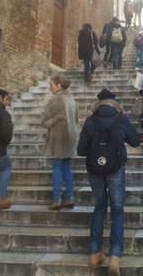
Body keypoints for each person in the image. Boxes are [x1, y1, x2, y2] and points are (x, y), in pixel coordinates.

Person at [77, 89, 140, 276]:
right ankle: (115, 255)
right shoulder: (121, 119)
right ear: (115, 103)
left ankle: (95, 251)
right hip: (115, 168)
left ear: (98, 104)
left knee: (99, 207)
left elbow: (81, 150)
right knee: (117, 208)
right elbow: (136, 141)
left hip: (94, 169)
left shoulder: (90, 121)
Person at [42, 75, 79, 210]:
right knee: (67, 169)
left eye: (51, 84)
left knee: (57, 169)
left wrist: (49, 122)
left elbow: (44, 117)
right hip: (70, 138)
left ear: (58, 85)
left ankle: (57, 200)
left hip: (58, 138)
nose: (50, 87)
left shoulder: (55, 98)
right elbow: (76, 119)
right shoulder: (71, 98)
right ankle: (69, 198)